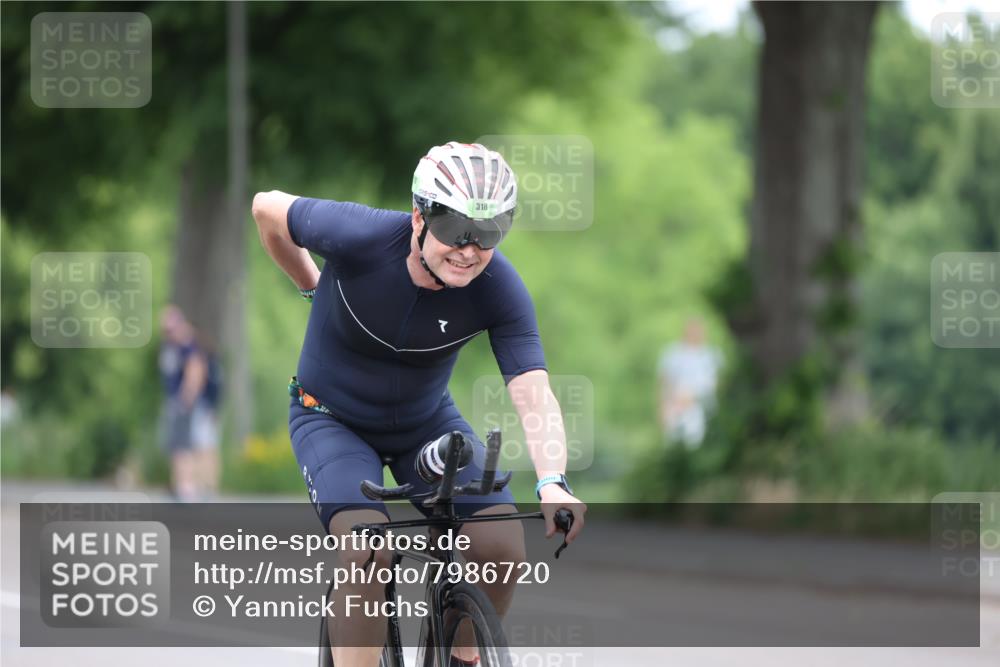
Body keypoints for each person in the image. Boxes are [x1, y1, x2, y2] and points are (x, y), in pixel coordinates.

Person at [252, 141, 586, 667]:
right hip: (330, 419)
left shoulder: (499, 288)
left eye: (490, 233)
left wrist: (553, 480)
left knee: (503, 547)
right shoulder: (357, 235)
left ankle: (461, 658)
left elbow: (532, 388)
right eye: (455, 230)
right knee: (368, 552)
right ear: (418, 217)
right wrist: (307, 282)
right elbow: (265, 207)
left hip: (423, 423)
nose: (469, 250)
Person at [158, 304, 221, 501]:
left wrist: (185, 399)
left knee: (196, 445)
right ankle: (188, 487)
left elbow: (195, 371)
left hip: (193, 403)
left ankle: (200, 489)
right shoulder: (174, 345)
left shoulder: (188, 345)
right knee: (185, 445)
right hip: (184, 402)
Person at [657, 318, 722, 447]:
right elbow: (665, 381)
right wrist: (663, 406)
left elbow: (715, 383)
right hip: (675, 408)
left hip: (701, 409)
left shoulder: (711, 354)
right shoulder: (673, 353)